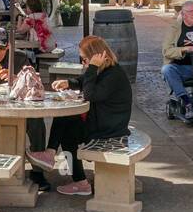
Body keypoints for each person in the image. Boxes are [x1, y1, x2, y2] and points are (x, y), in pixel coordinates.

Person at [29, 36, 133, 197]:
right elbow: (85, 81)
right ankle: (75, 177)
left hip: (109, 130)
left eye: (84, 59)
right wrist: (69, 83)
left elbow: (90, 93)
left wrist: (91, 67)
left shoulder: (113, 75)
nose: (83, 63)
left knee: (65, 119)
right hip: (103, 123)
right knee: (66, 122)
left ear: (95, 57)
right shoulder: (107, 71)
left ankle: (54, 158)